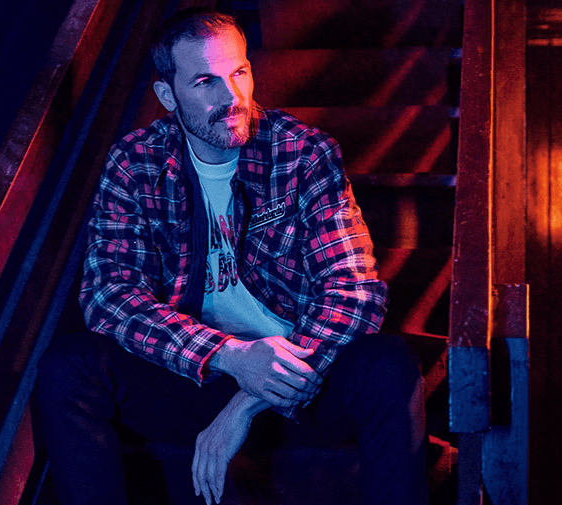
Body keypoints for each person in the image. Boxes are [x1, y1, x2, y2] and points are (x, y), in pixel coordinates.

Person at [37, 8, 426, 505]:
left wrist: (248, 400)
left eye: (239, 72)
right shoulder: (136, 162)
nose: (232, 98)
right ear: (166, 95)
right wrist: (229, 356)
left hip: (299, 381)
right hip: (196, 375)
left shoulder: (302, 153)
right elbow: (110, 296)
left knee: (388, 365)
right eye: (205, 82)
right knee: (69, 367)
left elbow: (354, 292)